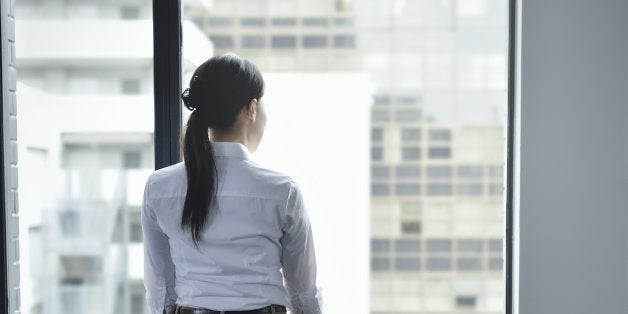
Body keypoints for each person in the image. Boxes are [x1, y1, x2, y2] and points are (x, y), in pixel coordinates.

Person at [142, 54, 322, 314]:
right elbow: (304, 292)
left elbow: (160, 286)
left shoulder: (160, 188)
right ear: (251, 109)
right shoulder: (282, 191)